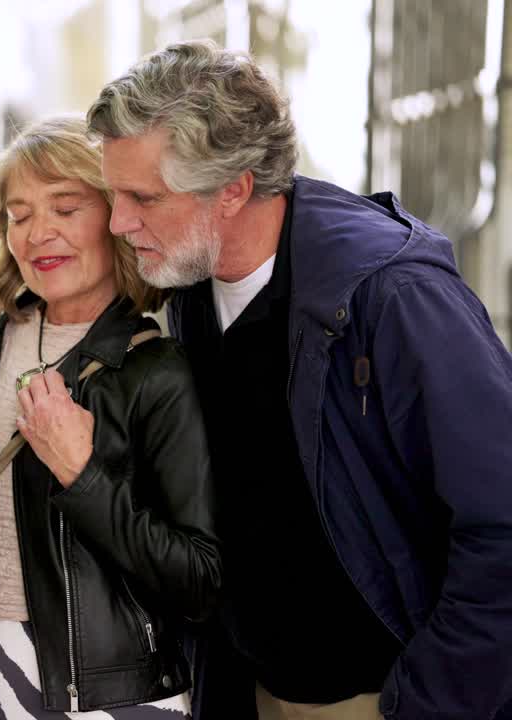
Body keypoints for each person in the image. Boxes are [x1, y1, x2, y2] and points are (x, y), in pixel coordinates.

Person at [87, 39, 512, 720]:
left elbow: (501, 527)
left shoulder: (394, 297)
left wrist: (428, 705)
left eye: (143, 197)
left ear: (233, 189)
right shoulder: (192, 286)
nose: (118, 222)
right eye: (115, 194)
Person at [0, 114, 220, 719]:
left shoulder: (156, 369)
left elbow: (200, 578)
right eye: (18, 215)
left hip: (108, 691)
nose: (38, 232)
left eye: (65, 209)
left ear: (117, 217)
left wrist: (82, 474)